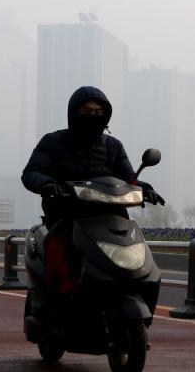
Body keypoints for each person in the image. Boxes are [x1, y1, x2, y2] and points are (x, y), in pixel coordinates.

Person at [21, 86, 164, 293]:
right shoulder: (53, 141)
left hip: (111, 217)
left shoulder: (113, 146)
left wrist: (146, 189)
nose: (93, 116)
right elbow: (31, 172)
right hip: (67, 216)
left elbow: (128, 179)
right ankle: (55, 302)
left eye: (98, 112)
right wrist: (47, 184)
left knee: (138, 257)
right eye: (87, 112)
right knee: (60, 260)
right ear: (74, 113)